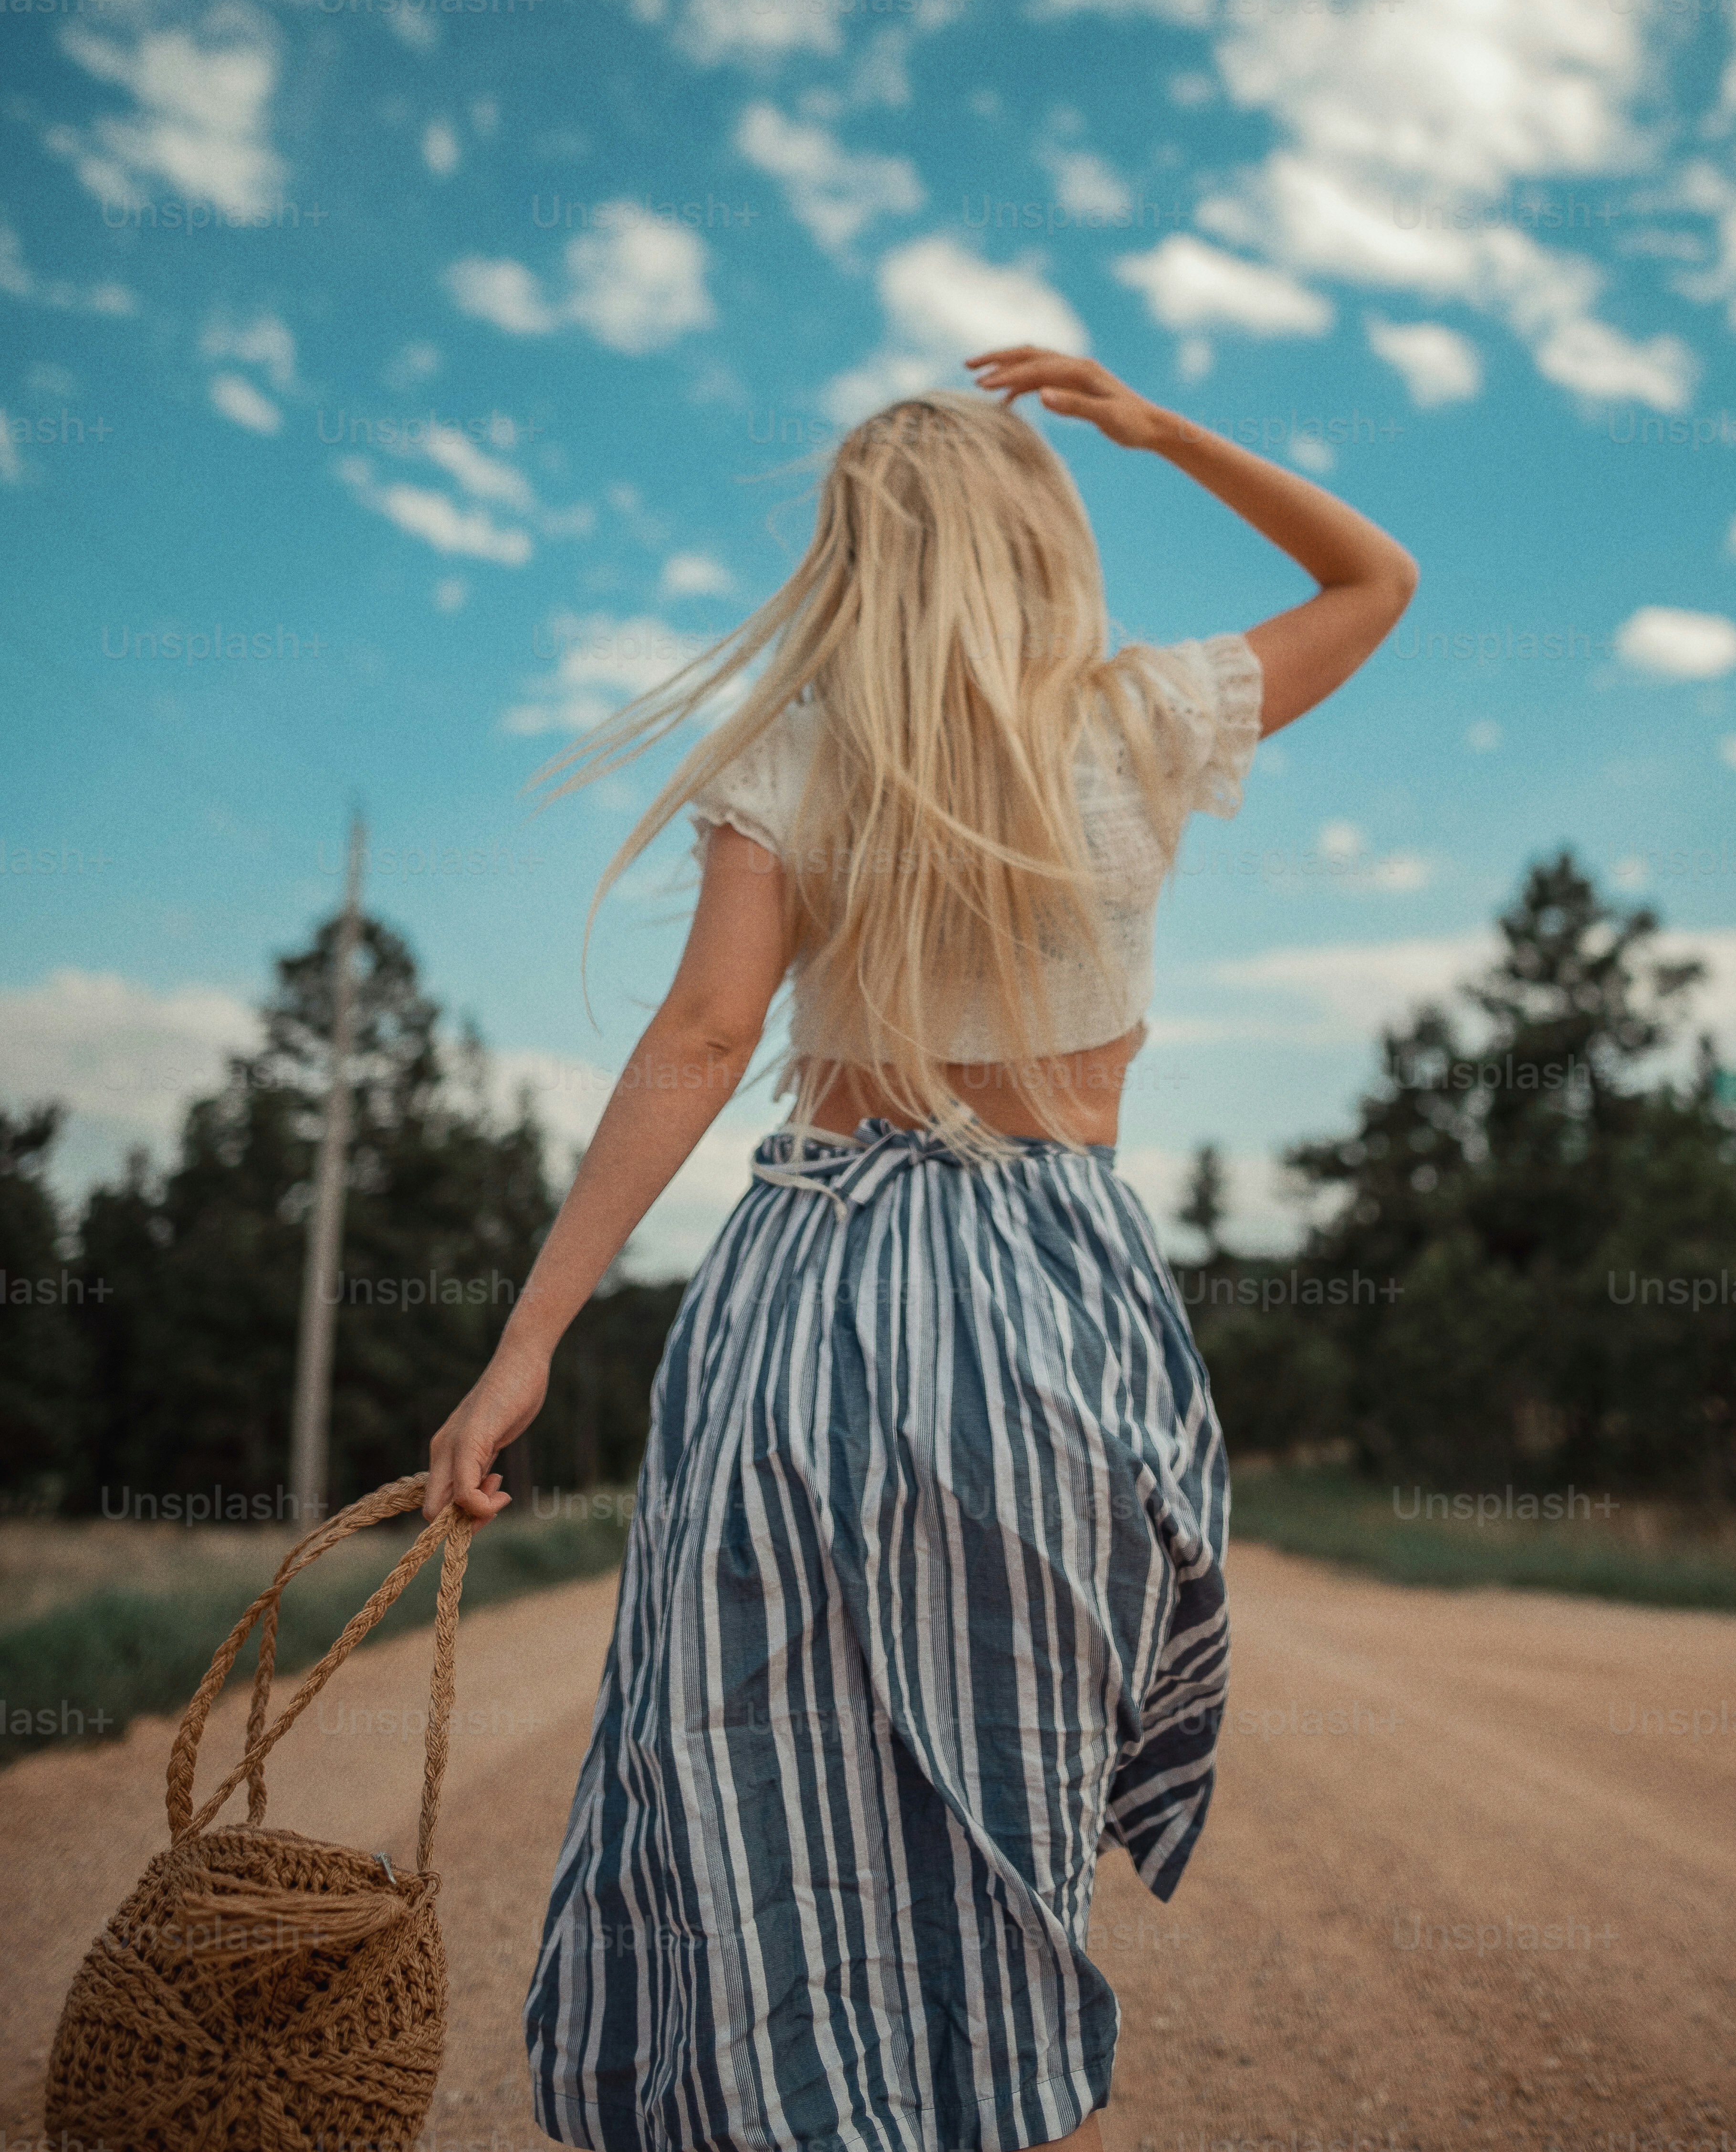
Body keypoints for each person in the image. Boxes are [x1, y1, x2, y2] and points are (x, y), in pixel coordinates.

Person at [425, 344, 1417, 2152]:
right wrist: (1163, 429)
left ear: (855, 560)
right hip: (1045, 1308)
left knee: (743, 1758)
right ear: (1041, 539)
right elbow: (1377, 579)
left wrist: (526, 1345)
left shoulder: (794, 752)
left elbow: (706, 1040)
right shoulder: (1139, 722)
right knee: (1008, 1775)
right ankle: (995, 2094)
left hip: (803, 1290)